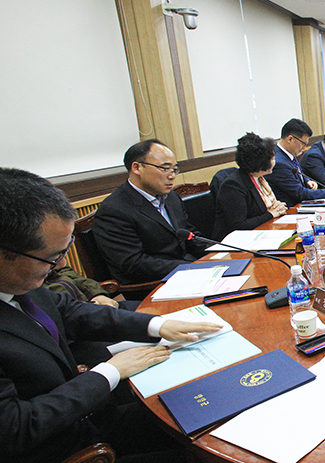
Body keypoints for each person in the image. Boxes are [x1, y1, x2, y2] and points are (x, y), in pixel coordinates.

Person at [0, 167, 222, 463]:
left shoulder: (20, 281)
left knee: (216, 410)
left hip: (87, 419)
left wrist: (159, 324)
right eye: (52, 256)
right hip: (63, 450)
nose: (61, 264)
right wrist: (110, 371)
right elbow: (16, 428)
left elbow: (70, 312)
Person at [92, 139, 209, 285]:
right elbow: (133, 263)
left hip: (188, 271)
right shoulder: (114, 210)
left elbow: (189, 234)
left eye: (174, 169)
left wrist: (218, 253)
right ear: (137, 168)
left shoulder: (171, 197)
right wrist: (192, 268)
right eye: (165, 168)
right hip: (154, 284)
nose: (172, 175)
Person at [213, 133, 289, 240]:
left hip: (260, 233)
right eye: (271, 159)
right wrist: (271, 214)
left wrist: (277, 208)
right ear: (259, 162)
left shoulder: (259, 178)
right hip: (235, 243)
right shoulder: (233, 185)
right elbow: (239, 226)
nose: (275, 162)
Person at [267, 118, 325, 207]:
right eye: (303, 143)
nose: (304, 147)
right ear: (290, 139)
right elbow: (299, 193)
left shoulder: (289, 153)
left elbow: (297, 173)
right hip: (290, 210)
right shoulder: (278, 162)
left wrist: (307, 181)